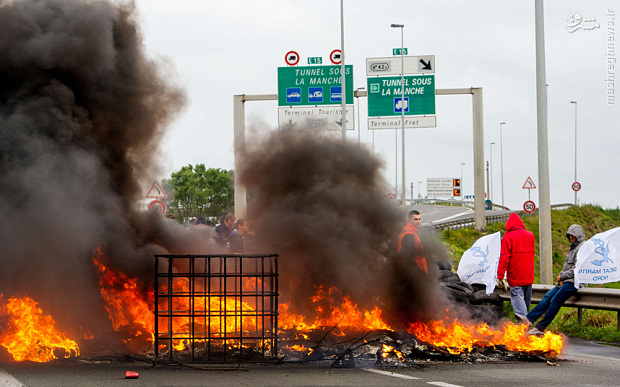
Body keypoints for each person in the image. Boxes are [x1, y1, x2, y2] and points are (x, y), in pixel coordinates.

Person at [517, 224, 587, 335]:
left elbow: (577, 268)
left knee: (555, 300)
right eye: (569, 235)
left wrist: (562, 277)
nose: (571, 237)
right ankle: (529, 319)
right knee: (548, 296)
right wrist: (561, 277)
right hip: (567, 280)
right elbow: (566, 267)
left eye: (573, 235)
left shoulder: (583, 247)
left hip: (576, 281)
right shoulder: (573, 247)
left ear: (578, 235)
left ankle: (540, 327)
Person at [497, 213, 535, 318]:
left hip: (515, 273)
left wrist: (500, 276)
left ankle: (524, 322)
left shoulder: (508, 237)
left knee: (517, 297)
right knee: (526, 300)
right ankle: (525, 326)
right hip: (529, 273)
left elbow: (504, 257)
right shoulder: (530, 235)